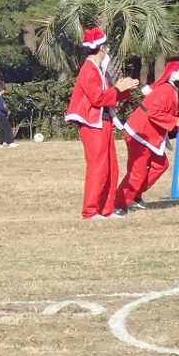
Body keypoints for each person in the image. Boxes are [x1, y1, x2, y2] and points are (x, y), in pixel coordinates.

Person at [65, 27, 139, 220]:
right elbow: (97, 98)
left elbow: (108, 97)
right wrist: (117, 89)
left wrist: (125, 89)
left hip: (103, 122)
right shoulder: (88, 69)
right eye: (107, 46)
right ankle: (90, 211)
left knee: (111, 167)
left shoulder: (100, 70)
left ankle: (106, 209)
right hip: (91, 124)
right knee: (98, 167)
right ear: (103, 48)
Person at [115, 60, 179, 213]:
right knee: (137, 173)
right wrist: (176, 121)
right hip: (139, 134)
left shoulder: (172, 91)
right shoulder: (166, 90)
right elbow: (155, 113)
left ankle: (135, 194)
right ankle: (118, 203)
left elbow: (172, 113)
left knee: (160, 165)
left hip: (147, 135)